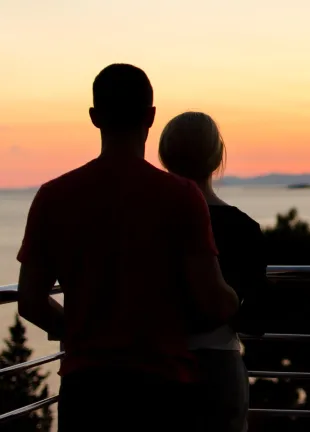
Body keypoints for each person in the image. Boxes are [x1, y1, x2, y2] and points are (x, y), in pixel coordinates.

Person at [16, 64, 240, 432]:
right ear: (151, 116)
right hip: (161, 387)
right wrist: (239, 298)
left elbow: (30, 300)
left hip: (86, 387)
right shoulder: (180, 197)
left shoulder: (53, 197)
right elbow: (213, 301)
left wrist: (81, 333)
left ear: (94, 117)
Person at [159, 111, 269, 432]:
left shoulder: (147, 224)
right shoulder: (244, 228)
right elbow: (257, 319)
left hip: (155, 368)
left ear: (165, 159)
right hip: (218, 368)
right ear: (217, 157)